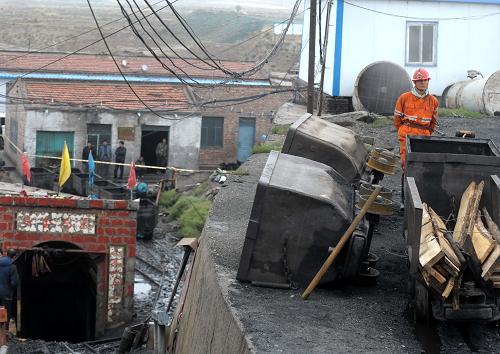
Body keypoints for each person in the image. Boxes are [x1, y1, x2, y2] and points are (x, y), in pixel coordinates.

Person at [394, 68, 439, 207]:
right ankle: (404, 201)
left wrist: (427, 134)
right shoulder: (404, 97)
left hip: (424, 135)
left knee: (423, 166)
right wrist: (403, 132)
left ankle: (421, 200)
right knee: (406, 165)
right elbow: (397, 120)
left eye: (424, 80)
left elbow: (433, 122)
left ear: (428, 81)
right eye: (419, 81)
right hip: (406, 134)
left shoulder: (433, 101)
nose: (422, 83)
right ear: (415, 82)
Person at [0, 248, 18, 321]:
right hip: (7, 295)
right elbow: (14, 283)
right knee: (5, 314)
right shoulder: (12, 267)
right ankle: (5, 330)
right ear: (14, 257)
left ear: (6, 254)